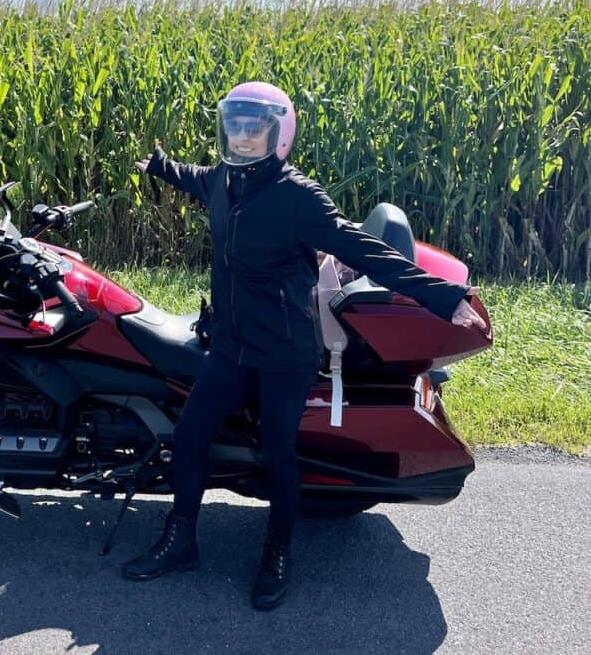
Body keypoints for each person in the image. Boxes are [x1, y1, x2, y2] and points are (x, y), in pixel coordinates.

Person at [122, 81, 486, 610]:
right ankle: (182, 540)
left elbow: (362, 247)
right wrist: (160, 165)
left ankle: (277, 551)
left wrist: (442, 295)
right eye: (236, 125)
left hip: (284, 352)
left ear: (280, 134)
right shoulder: (224, 181)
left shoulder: (299, 198)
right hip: (232, 346)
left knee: (278, 454)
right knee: (191, 436)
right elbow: (194, 178)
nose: (243, 137)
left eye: (256, 127)